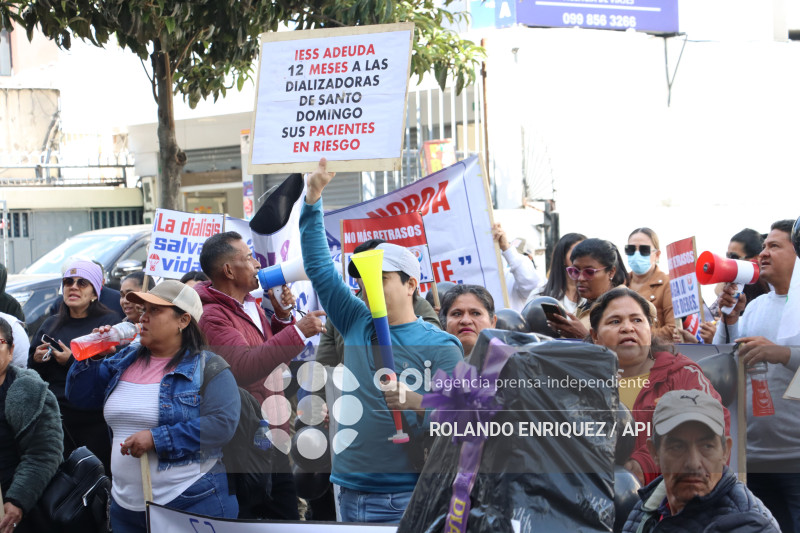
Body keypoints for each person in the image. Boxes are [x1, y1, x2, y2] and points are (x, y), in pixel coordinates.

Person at [300, 158, 463, 523]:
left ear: (411, 285)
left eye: (382, 277)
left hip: (403, 495)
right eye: (360, 279)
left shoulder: (439, 344)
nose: (364, 286)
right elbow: (319, 268)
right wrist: (312, 199)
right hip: (346, 487)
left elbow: (462, 419)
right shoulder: (355, 320)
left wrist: (418, 401)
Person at [65, 280, 240, 532]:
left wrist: (157, 439)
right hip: (125, 506)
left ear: (183, 321)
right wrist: (95, 352)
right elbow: (79, 396)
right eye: (144, 310)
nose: (143, 317)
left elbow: (222, 425)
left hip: (190, 502)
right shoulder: (122, 359)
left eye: (155, 311)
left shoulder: (209, 367)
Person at [194, 231, 326, 520]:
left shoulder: (248, 305)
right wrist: (298, 331)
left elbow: (271, 360)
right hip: (245, 440)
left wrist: (280, 319)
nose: (256, 264)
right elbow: (243, 366)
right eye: (249, 257)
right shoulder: (213, 316)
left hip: (270, 432)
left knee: (285, 515)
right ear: (229, 270)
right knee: (259, 516)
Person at [589, 287, 729, 486]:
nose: (628, 328)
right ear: (595, 335)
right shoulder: (579, 383)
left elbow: (714, 435)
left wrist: (642, 468)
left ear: (650, 328)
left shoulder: (682, 375)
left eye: (637, 320)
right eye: (615, 321)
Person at [713, 219, 800, 533]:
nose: (763, 254)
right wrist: (731, 320)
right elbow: (723, 362)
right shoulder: (755, 306)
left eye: (774, 246)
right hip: (753, 460)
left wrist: (783, 353)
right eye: (763, 246)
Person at [622, 390, 779, 533]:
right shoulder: (647, 507)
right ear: (654, 452)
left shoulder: (749, 526)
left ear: (725, 451)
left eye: (706, 446)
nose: (693, 463)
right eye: (677, 447)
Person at [28, 260, 120, 473]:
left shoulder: (108, 324)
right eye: (68, 282)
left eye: (82, 283)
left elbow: (112, 372)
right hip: (55, 419)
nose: (74, 287)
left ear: (95, 293)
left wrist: (71, 362)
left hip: (92, 418)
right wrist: (37, 359)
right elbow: (31, 372)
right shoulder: (50, 324)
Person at [0, 317, 64, 533]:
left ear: (11, 350)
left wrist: (18, 499)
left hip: (11, 507)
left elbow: (44, 453)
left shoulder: (29, 390)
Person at [547, 238, 627, 339]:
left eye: (589, 272)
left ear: (611, 272)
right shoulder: (585, 305)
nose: (580, 278)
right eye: (575, 271)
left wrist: (584, 336)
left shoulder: (630, 307)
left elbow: (628, 352)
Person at [625, 228, 675, 342]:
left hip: (655, 351)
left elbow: (673, 329)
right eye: (631, 249)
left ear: (657, 255)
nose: (636, 254)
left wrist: (636, 334)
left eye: (644, 250)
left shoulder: (668, 284)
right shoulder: (620, 283)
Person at [527, 232, 586, 314]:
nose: (583, 258)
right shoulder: (539, 297)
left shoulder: (593, 299)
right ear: (562, 257)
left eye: (587, 253)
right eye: (576, 252)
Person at [438, 284, 497, 358]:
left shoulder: (510, 362)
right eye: (457, 314)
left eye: (475, 313)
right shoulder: (430, 364)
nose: (466, 321)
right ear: (444, 323)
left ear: (493, 322)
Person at [492, 223, 540, 312]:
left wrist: (507, 248)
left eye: (515, 254)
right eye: (506, 254)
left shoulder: (536, 279)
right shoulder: (503, 274)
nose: (509, 258)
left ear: (529, 257)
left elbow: (529, 284)